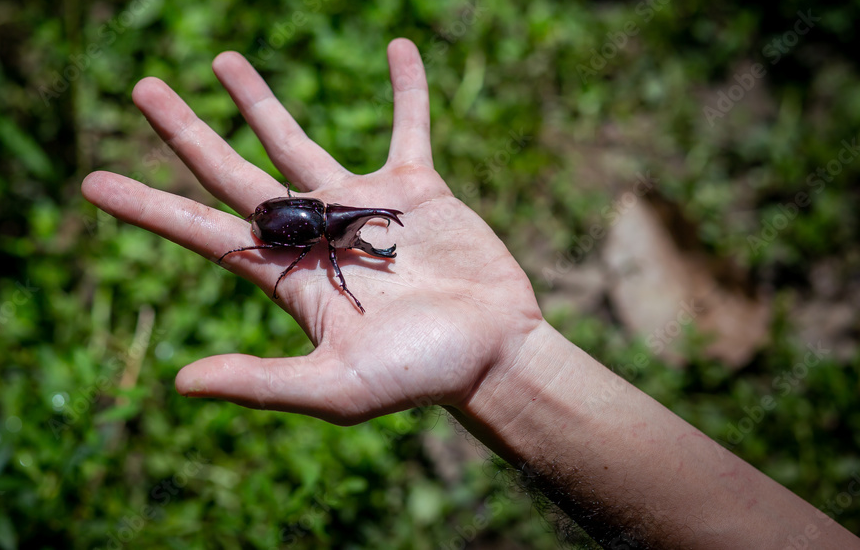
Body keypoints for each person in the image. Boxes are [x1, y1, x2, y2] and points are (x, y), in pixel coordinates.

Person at [81, 38, 860, 549]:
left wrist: (504, 361)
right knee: (309, 244)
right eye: (353, 231)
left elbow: (325, 246)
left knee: (318, 241)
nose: (355, 239)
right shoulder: (316, 238)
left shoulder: (325, 237)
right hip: (290, 224)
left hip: (296, 225)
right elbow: (310, 247)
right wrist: (510, 365)